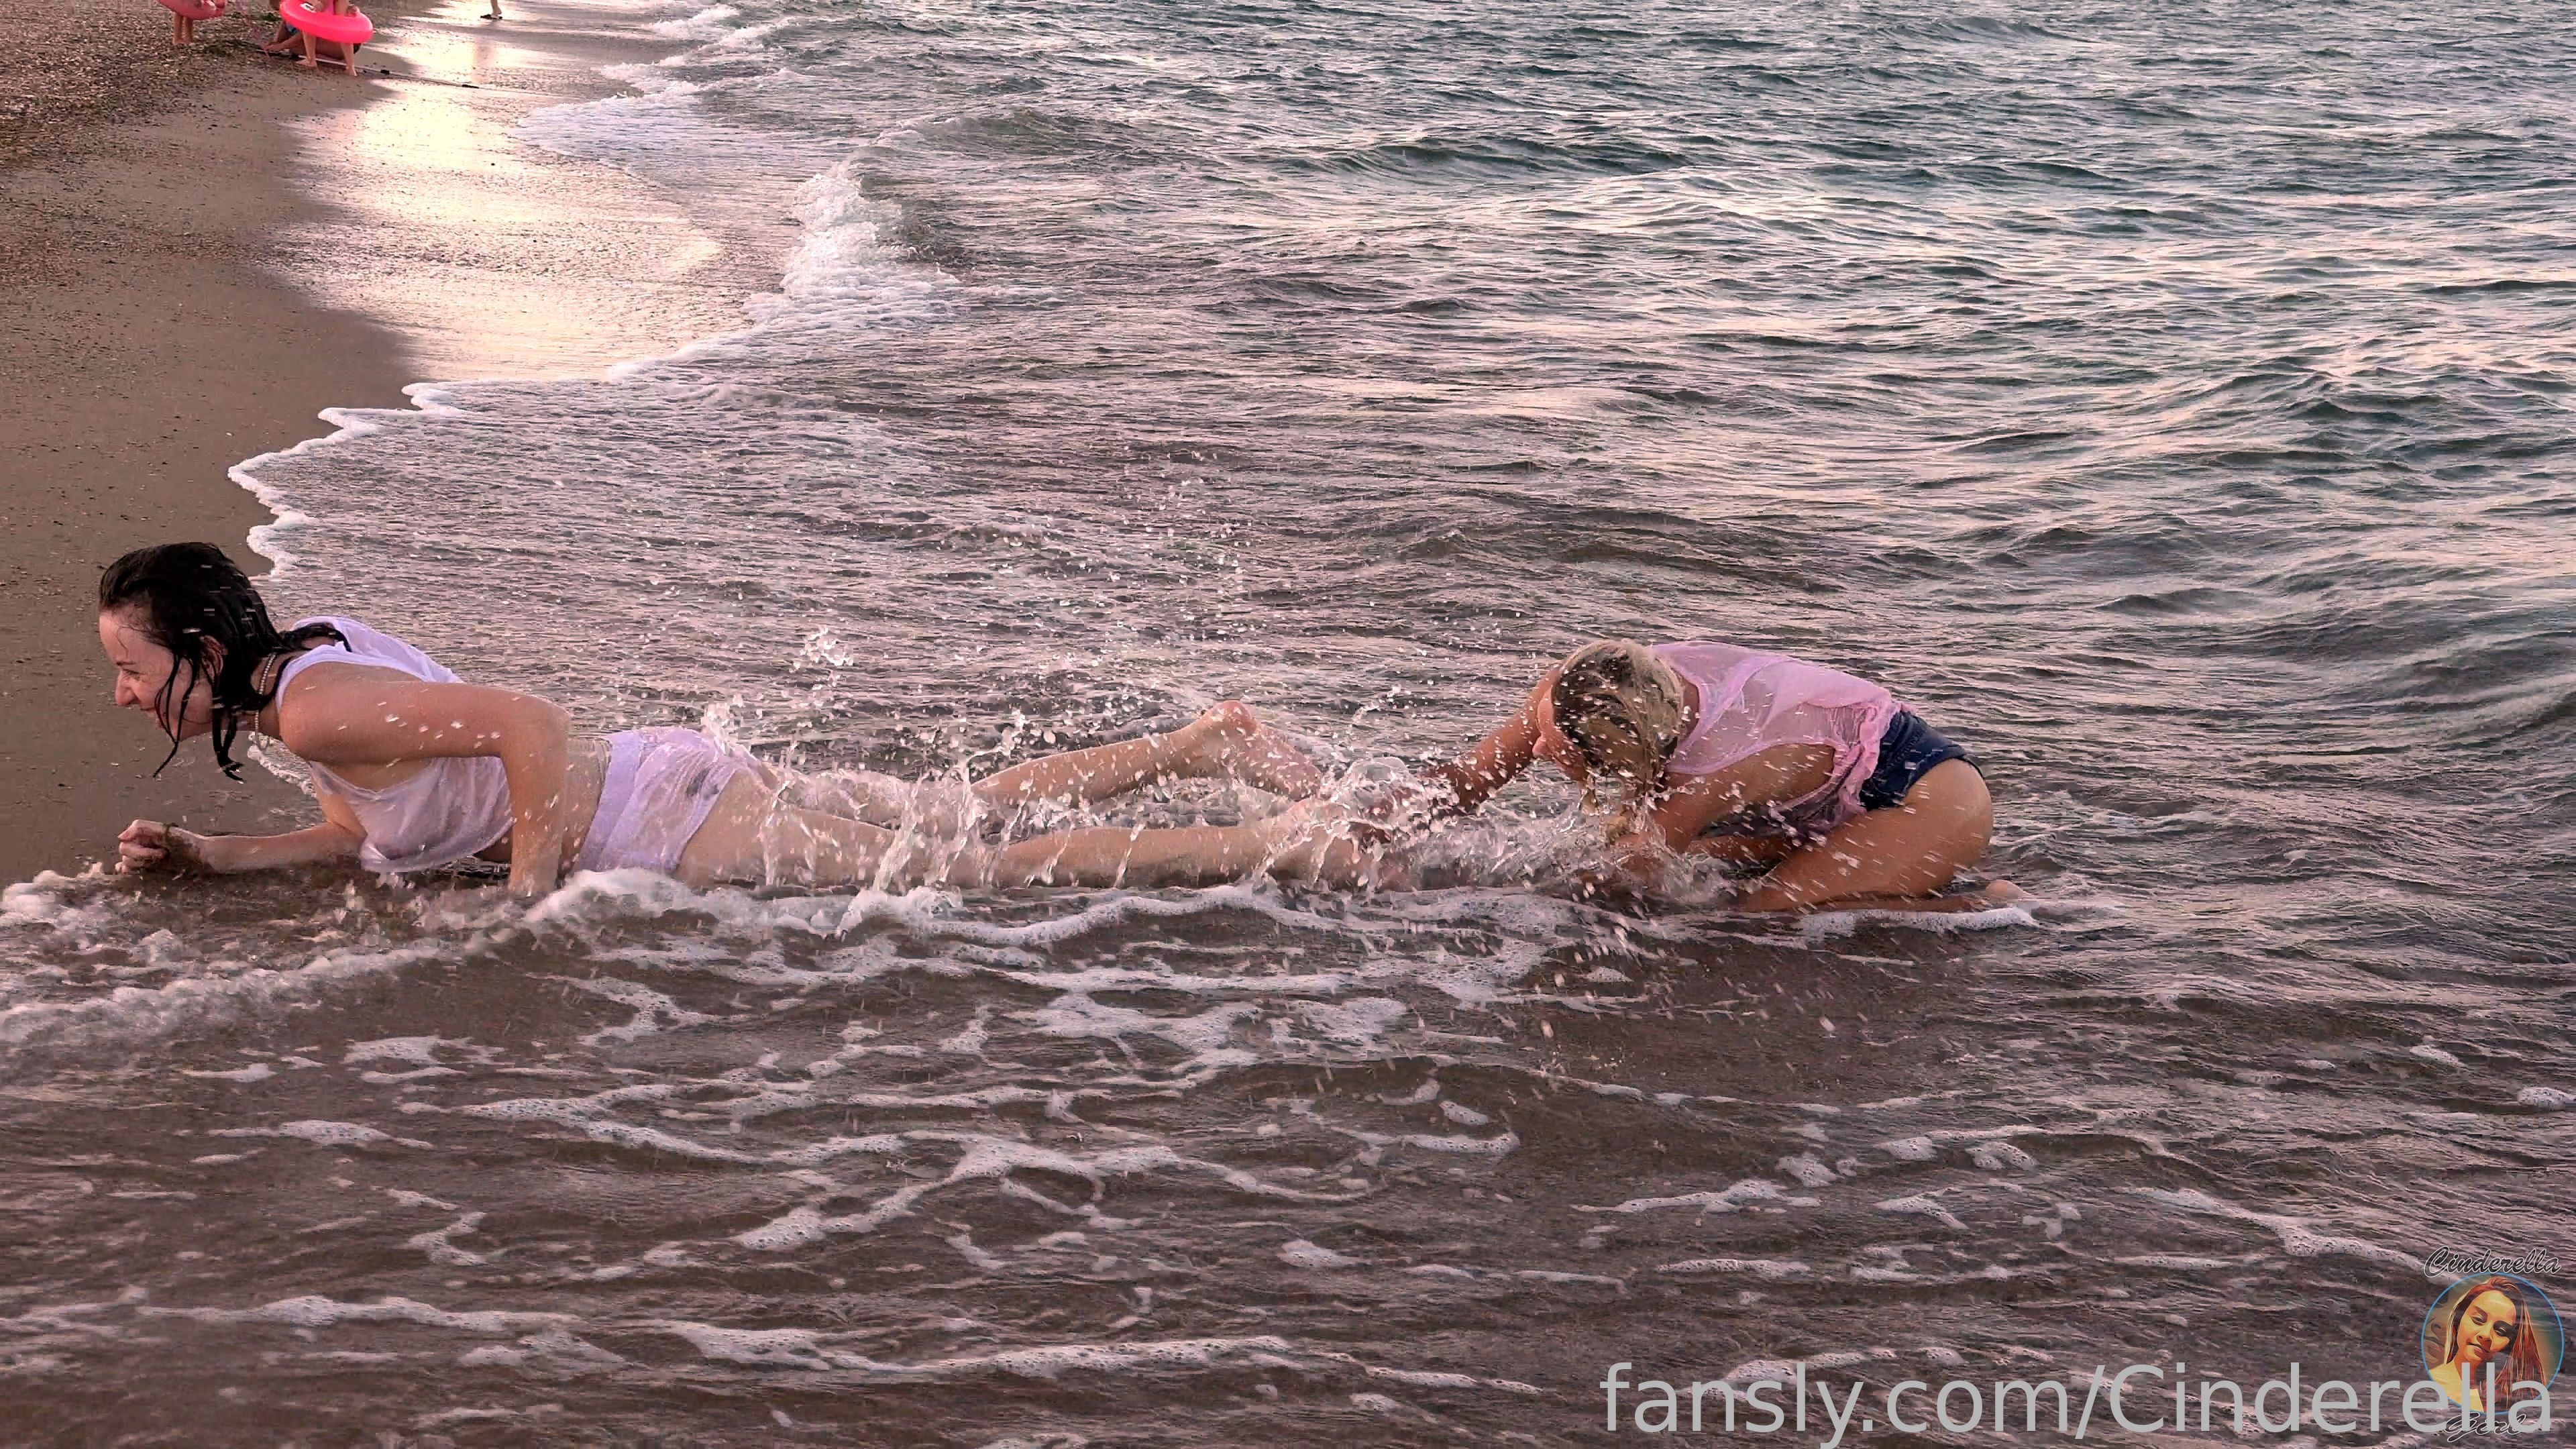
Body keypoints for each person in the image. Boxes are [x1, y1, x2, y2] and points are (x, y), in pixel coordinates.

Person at [99, 543, 1322, 898]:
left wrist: (532, 899)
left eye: (131, 669)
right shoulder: (306, 677)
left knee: (982, 870)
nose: (123, 695)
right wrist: (216, 856)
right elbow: (359, 830)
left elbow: (532, 724)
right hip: (666, 779)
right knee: (964, 815)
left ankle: (1291, 843)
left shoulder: (314, 710)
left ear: (203, 653)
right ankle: (1199, 744)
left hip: (662, 824)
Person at [1408, 639, 2017, 913]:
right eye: (1542, 732)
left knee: (1762, 914)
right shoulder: (1593, 683)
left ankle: (1976, 907)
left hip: (1926, 796)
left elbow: (1627, 874)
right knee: (1698, 862)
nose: (1538, 748)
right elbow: (1466, 779)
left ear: (1626, 755)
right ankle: (1837, 864)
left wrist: (1485, 901)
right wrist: (1371, 828)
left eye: (1558, 750)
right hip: (1817, 799)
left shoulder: (1710, 774)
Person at [2428, 1276, 2551, 1411]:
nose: (2486, 1335)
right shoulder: (2428, 1385)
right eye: (2478, 1319)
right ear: (2459, 1320)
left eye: (2501, 1331)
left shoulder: (2510, 1402)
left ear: (2510, 1345)